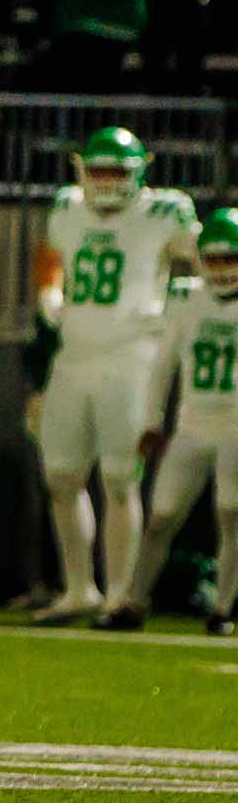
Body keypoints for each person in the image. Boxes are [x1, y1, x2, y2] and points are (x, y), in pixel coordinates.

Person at [32, 128, 199, 626]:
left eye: (115, 171)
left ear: (138, 173)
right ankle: (79, 586)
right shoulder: (67, 208)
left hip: (132, 354)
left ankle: (120, 593)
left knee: (119, 477)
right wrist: (49, 290)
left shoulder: (162, 213)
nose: (104, 181)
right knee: (61, 475)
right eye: (98, 169)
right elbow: (50, 254)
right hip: (74, 352)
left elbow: (206, 255)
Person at [115, 210, 238, 634]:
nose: (221, 268)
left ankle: (222, 609)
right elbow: (162, 364)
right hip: (192, 423)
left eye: (230, 259)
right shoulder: (188, 299)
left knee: (231, 510)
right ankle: (133, 602)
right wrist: (152, 419)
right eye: (215, 259)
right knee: (162, 515)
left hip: (236, 426)